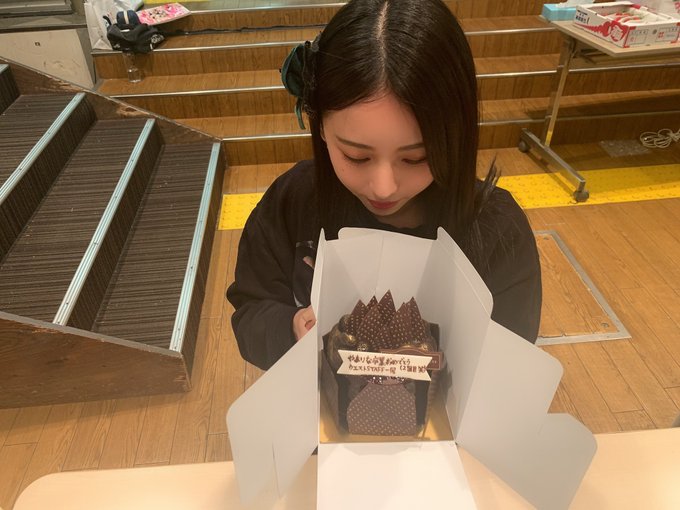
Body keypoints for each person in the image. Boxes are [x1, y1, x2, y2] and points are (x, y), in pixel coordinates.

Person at [226, 0, 542, 370]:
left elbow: (510, 358)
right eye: (356, 156)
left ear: (456, 136)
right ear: (320, 126)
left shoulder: (496, 229)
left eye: (416, 158)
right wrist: (292, 328)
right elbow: (251, 311)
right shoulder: (293, 200)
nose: (384, 188)